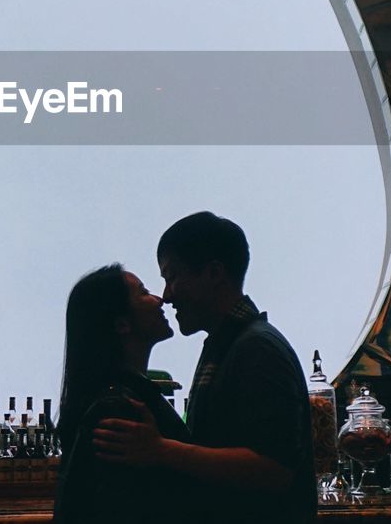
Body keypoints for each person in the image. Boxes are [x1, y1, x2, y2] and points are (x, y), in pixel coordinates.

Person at [94, 211, 317, 524]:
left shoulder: (256, 349)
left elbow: (274, 470)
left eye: (172, 277)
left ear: (214, 273)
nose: (167, 296)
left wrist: (161, 450)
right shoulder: (230, 345)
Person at [53, 264, 194, 524]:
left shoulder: (112, 397)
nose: (159, 299)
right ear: (121, 324)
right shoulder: (118, 408)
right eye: (144, 293)